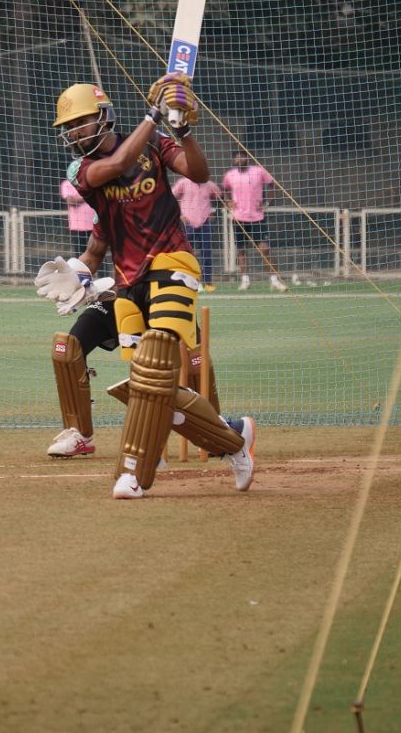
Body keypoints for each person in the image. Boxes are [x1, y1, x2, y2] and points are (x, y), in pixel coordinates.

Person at [34, 77, 256, 500]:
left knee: (155, 366)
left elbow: (200, 173)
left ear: (103, 116)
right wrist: (83, 272)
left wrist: (183, 131)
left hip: (173, 262)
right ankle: (234, 437)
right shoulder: (79, 170)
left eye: (80, 123)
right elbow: (114, 172)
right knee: (146, 383)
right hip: (126, 281)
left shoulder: (154, 144)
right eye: (70, 127)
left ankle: (136, 469)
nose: (73, 133)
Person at [221, 151, 286, 292]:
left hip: (257, 217)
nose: (239, 159)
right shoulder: (229, 175)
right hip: (238, 218)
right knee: (242, 250)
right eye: (236, 157)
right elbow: (224, 190)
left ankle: (274, 280)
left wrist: (267, 202)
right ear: (233, 160)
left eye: (242, 156)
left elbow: (272, 185)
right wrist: (228, 201)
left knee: (264, 249)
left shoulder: (258, 171)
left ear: (247, 158)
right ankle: (245, 280)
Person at [171, 174, 221, 292]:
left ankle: (208, 283)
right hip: (187, 223)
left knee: (207, 254)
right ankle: (187, 281)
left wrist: (215, 212)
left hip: (204, 223)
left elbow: (220, 198)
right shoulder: (183, 183)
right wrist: (179, 215)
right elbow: (171, 197)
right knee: (187, 253)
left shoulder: (209, 185)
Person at [60, 177, 95, 243]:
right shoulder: (67, 183)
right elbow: (71, 201)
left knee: (97, 252)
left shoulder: (95, 182)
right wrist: (88, 195)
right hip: (78, 227)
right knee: (80, 252)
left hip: (96, 226)